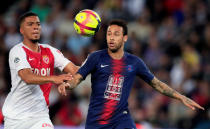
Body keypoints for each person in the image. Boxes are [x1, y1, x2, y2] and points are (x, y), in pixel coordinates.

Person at [58, 19, 204, 129]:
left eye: (116, 34)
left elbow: (157, 84)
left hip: (121, 118)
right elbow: (77, 78)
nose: (111, 38)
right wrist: (67, 85)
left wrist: (180, 97)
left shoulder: (134, 62)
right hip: (97, 120)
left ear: (125, 38)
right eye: (109, 34)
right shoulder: (95, 57)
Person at [2, 12, 78, 129]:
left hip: (39, 116)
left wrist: (90, 66)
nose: (35, 27)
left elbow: (74, 70)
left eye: (38, 24)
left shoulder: (50, 51)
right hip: (15, 117)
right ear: (22, 30)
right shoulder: (17, 51)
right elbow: (27, 77)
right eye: (30, 24)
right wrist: (54, 78)